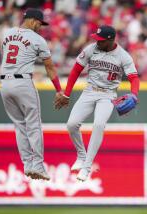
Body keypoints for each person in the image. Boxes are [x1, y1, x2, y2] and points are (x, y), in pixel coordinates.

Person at [54, 25, 140, 181]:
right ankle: (81, 155)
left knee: (99, 124)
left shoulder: (123, 56)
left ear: (111, 40)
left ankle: (87, 167)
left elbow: (134, 78)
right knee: (72, 124)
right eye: (96, 39)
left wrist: (134, 94)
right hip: (89, 91)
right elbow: (75, 70)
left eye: (100, 40)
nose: (97, 42)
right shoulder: (91, 49)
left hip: (107, 95)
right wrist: (66, 94)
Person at [0, 8, 62, 181]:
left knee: (20, 126)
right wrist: (58, 89)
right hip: (22, 83)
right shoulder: (37, 39)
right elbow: (50, 67)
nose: (40, 27)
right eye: (40, 24)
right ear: (34, 21)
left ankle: (27, 165)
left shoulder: (7, 33)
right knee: (33, 125)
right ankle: (38, 166)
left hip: (4, 84)